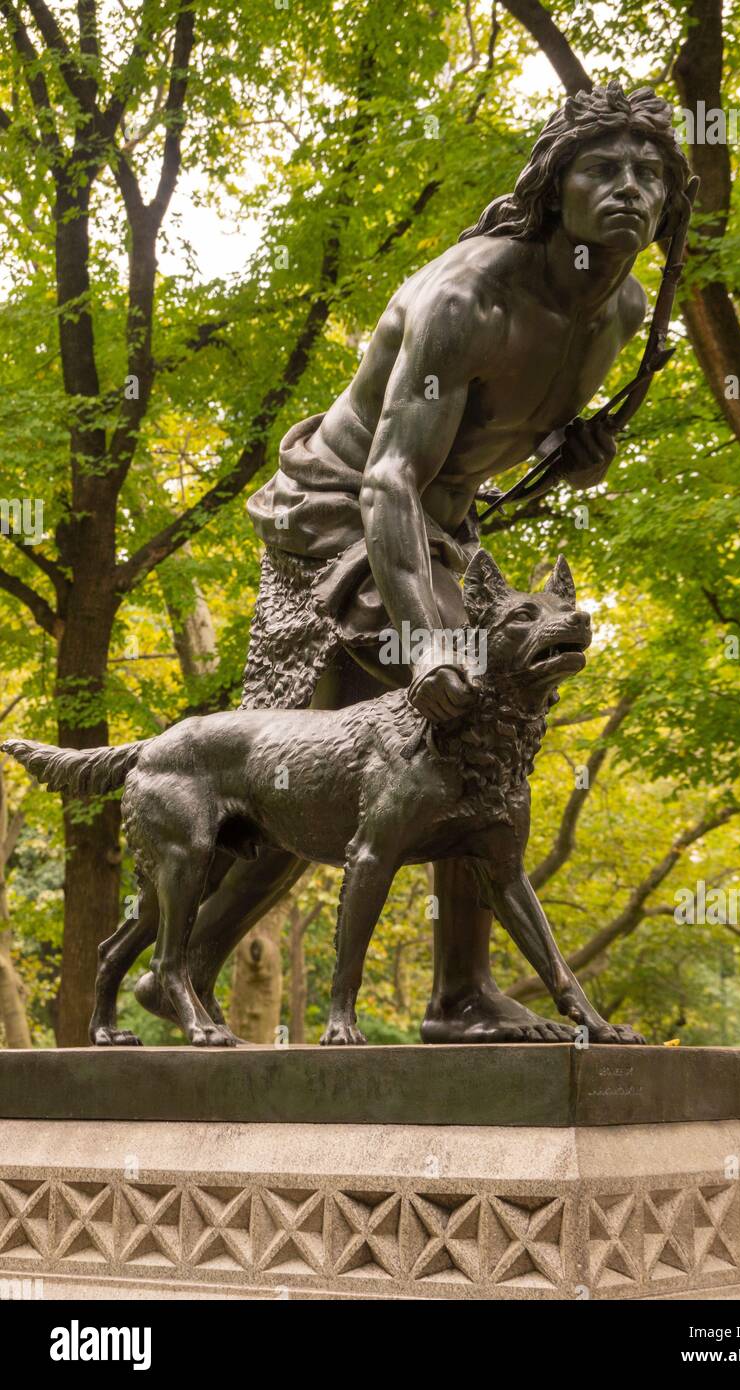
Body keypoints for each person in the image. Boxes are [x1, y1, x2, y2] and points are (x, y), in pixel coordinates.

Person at [122, 81, 691, 1046]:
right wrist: (431, 642)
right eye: (604, 168)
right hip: (340, 513)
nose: (630, 187)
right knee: (380, 744)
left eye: (650, 173)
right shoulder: (468, 299)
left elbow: (495, 440)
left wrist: (573, 452)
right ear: (555, 189)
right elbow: (388, 476)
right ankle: (402, 987)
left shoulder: (623, 309)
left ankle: (434, 989)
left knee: (363, 773)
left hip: (444, 529)